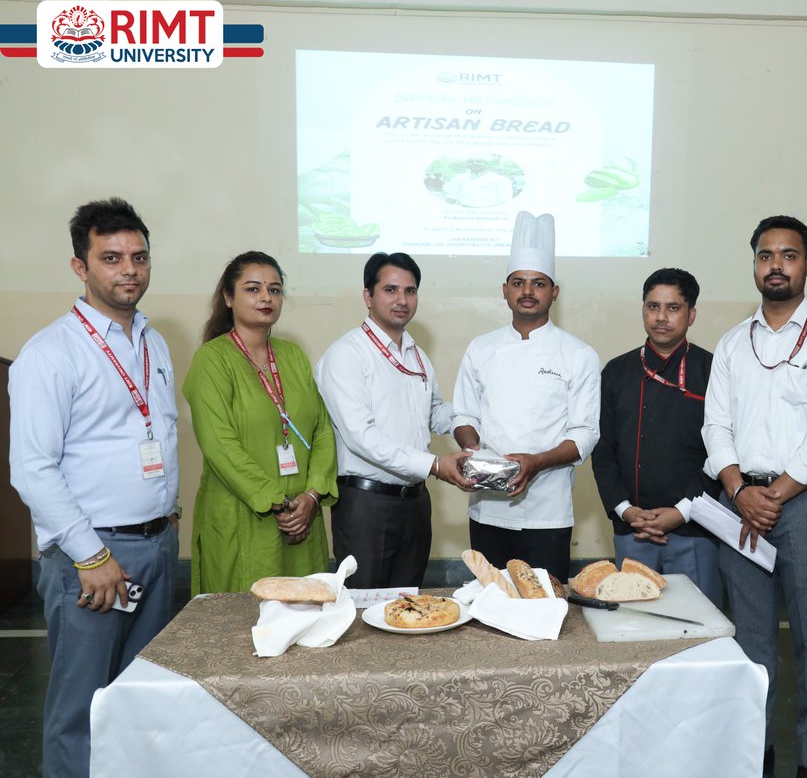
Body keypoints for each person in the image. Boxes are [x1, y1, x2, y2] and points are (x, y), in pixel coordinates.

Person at [9, 198, 180, 778]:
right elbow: (32, 468)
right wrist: (92, 555)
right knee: (80, 709)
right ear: (81, 268)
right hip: (93, 559)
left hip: (155, 547)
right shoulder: (50, 352)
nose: (128, 269)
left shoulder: (153, 343)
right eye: (110, 258)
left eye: (138, 256)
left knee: (137, 701)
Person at [702, 215, 807, 778]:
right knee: (750, 642)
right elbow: (715, 426)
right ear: (754, 263)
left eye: (789, 255)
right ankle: (757, 751)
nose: (776, 265)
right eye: (766, 255)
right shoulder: (731, 342)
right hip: (738, 504)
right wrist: (740, 490)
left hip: (802, 508)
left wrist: (774, 494)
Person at [453, 211, 600, 581]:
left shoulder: (578, 354)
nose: (528, 291)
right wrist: (474, 450)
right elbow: (464, 416)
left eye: (538, 283)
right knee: (490, 604)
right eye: (518, 282)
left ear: (554, 292)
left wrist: (536, 461)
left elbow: (585, 433)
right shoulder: (481, 348)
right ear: (505, 290)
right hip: (486, 508)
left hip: (547, 513)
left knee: (545, 608)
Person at [315, 252, 473, 589]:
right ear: (367, 296)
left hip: (415, 502)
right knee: (362, 612)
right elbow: (361, 436)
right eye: (390, 290)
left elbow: (433, 411)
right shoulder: (347, 354)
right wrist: (434, 465)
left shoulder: (416, 353)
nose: (402, 300)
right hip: (366, 506)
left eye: (410, 291)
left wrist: (468, 427)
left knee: (408, 607)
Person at [183, 251, 338, 594]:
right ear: (228, 297)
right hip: (246, 517)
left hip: (302, 518)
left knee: (305, 619)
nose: (266, 297)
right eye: (253, 289)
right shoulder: (212, 360)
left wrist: (311, 497)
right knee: (242, 627)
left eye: (275, 289)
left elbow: (322, 430)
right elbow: (219, 445)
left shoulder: (293, 355)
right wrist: (279, 504)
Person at [591, 267, 723, 604]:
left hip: (696, 526)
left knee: (698, 630)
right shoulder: (617, 371)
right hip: (632, 529)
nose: (661, 317)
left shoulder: (714, 371)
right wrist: (624, 509)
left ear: (691, 315)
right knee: (636, 628)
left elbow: (722, 452)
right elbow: (603, 448)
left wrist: (681, 511)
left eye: (673, 308)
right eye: (653, 307)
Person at [443, 154, 514, 208]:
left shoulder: (500, 179)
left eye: (479, 161)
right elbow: (452, 196)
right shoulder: (459, 178)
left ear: (486, 164)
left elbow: (506, 200)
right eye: (471, 162)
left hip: (489, 212)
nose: (474, 163)